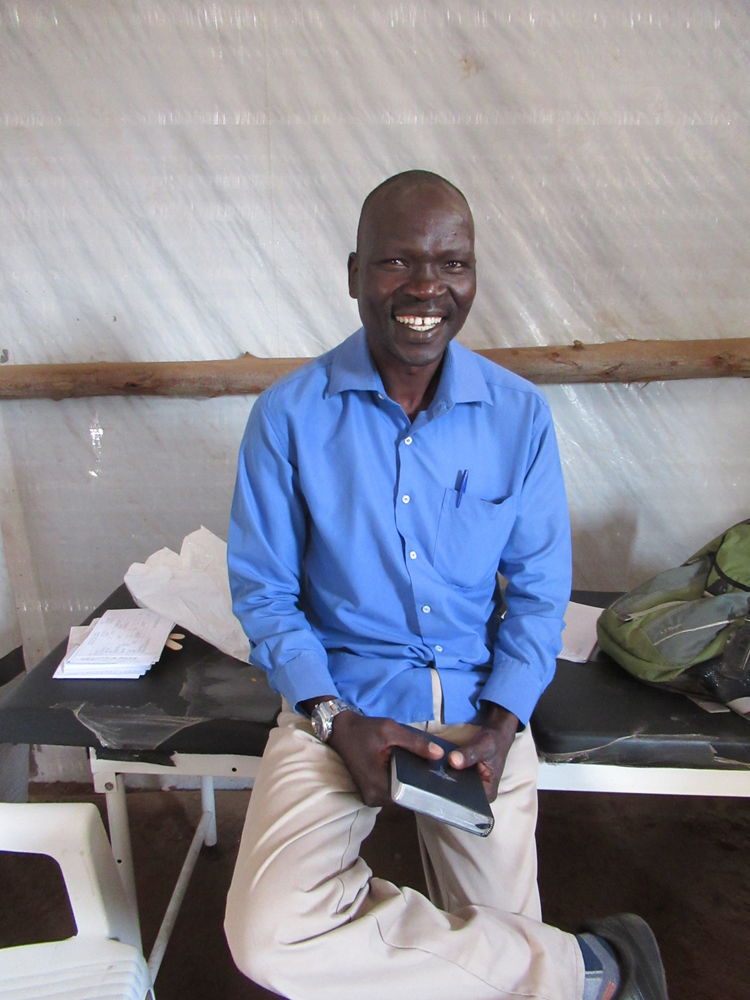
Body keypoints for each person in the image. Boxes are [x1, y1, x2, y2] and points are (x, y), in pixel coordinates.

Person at [224, 170, 668, 1000]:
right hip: (343, 704)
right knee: (267, 936)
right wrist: (334, 718)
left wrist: (502, 726)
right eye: (398, 262)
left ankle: (504, 960)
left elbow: (539, 594)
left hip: (476, 714)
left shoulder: (519, 416)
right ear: (354, 271)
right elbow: (265, 594)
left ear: (473, 274)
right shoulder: (289, 416)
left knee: (493, 959)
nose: (428, 287)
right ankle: (590, 968)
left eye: (452, 264)